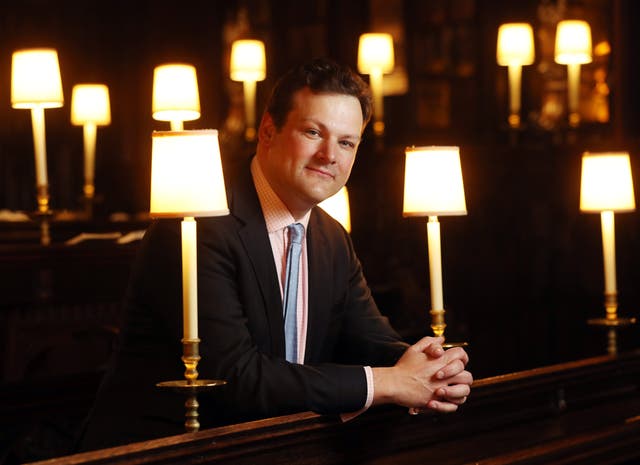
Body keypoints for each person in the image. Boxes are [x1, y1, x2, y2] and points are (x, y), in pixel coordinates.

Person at [79, 57, 472, 451]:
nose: (329, 155)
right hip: (157, 452)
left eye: (346, 142)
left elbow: (371, 339)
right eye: (313, 132)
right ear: (268, 130)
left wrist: (434, 369)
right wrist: (390, 383)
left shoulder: (331, 238)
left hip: (268, 448)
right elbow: (238, 378)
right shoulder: (195, 227)